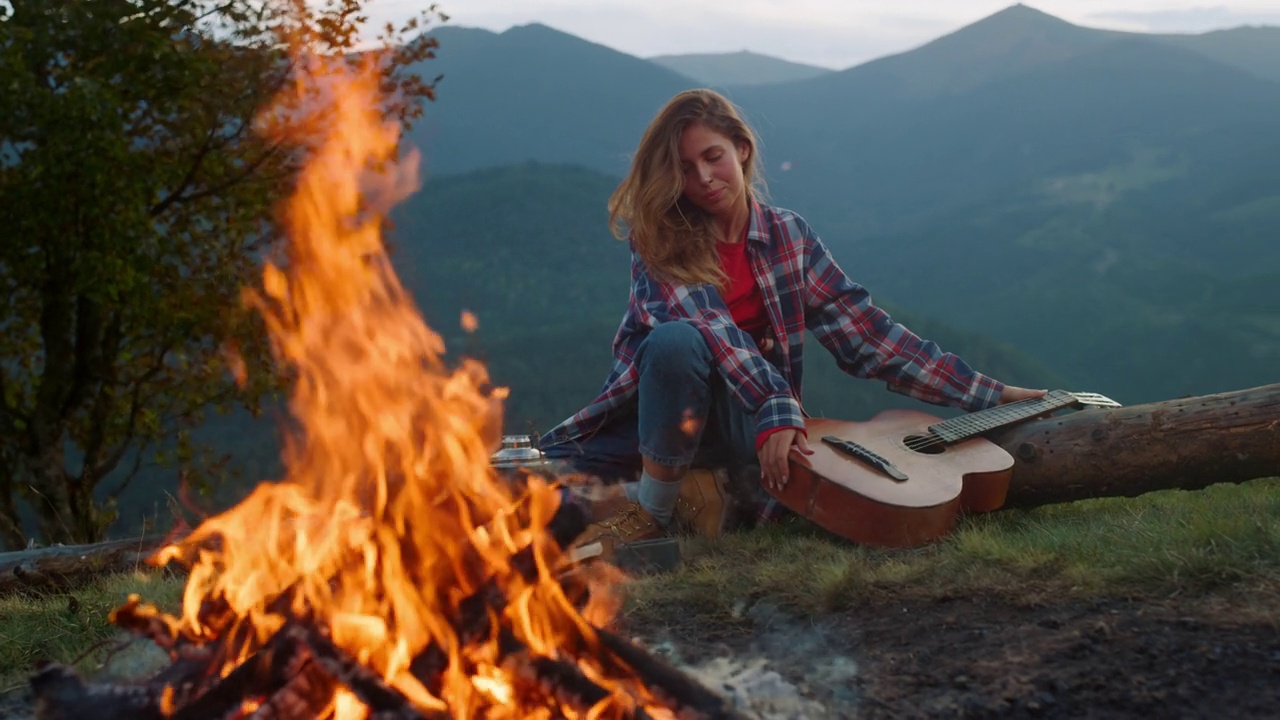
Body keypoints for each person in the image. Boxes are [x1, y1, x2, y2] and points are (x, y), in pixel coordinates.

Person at [538, 88, 1044, 559]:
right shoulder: (660, 243)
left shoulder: (788, 236)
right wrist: (778, 404)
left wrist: (990, 395)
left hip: (749, 424)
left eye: (712, 157)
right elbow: (715, 332)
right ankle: (684, 497)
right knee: (525, 489)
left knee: (672, 349)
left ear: (741, 149)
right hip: (660, 425)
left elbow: (869, 337)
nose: (704, 179)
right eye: (685, 169)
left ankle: (653, 515)